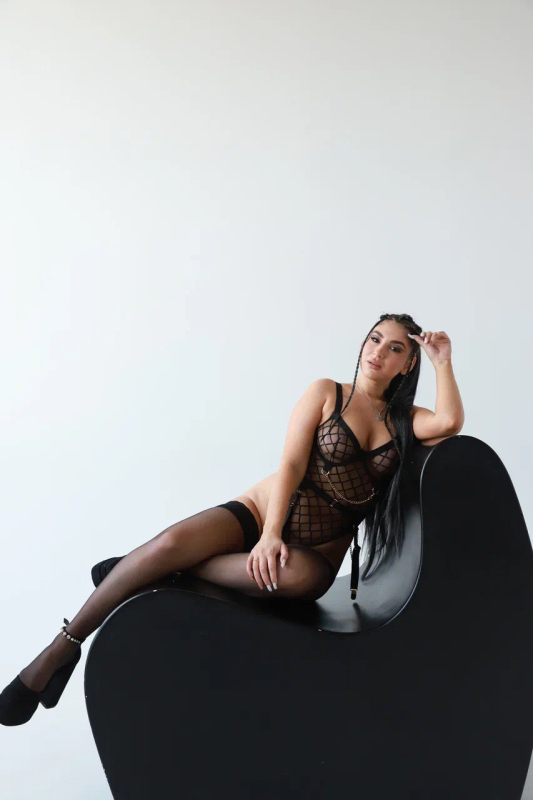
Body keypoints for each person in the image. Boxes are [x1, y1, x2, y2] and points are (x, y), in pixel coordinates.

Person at [0, 313, 464, 725]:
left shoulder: (404, 421)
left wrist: (442, 362)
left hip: (318, 554)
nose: (378, 352)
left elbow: (448, 423)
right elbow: (291, 465)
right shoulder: (328, 392)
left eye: (395, 348)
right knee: (166, 546)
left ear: (408, 364)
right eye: (374, 339)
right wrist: (270, 533)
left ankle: (139, 569)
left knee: (283, 574)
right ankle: (59, 651)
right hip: (260, 513)